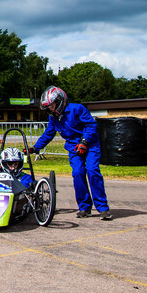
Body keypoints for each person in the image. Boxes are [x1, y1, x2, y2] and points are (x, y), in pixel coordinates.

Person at [32, 86, 111, 220]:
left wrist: (84, 142)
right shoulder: (54, 118)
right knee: (78, 173)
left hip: (90, 145)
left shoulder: (77, 109)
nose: (50, 109)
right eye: (48, 107)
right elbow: (48, 134)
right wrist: (35, 147)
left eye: (52, 105)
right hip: (74, 148)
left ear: (60, 100)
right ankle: (84, 207)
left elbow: (91, 125)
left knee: (92, 171)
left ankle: (103, 208)